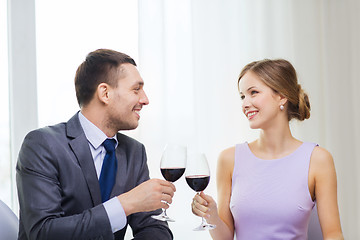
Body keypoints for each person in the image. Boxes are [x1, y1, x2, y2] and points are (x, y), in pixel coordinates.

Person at [16, 49, 175, 240]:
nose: (145, 99)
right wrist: (125, 204)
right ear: (105, 93)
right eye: (136, 89)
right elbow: (43, 232)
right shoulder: (42, 145)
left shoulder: (135, 152)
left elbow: (157, 230)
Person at [191, 59, 344, 239]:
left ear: (282, 96)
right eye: (242, 96)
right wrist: (212, 214)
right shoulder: (229, 159)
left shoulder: (318, 159)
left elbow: (333, 234)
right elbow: (224, 237)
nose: (245, 104)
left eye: (253, 93)